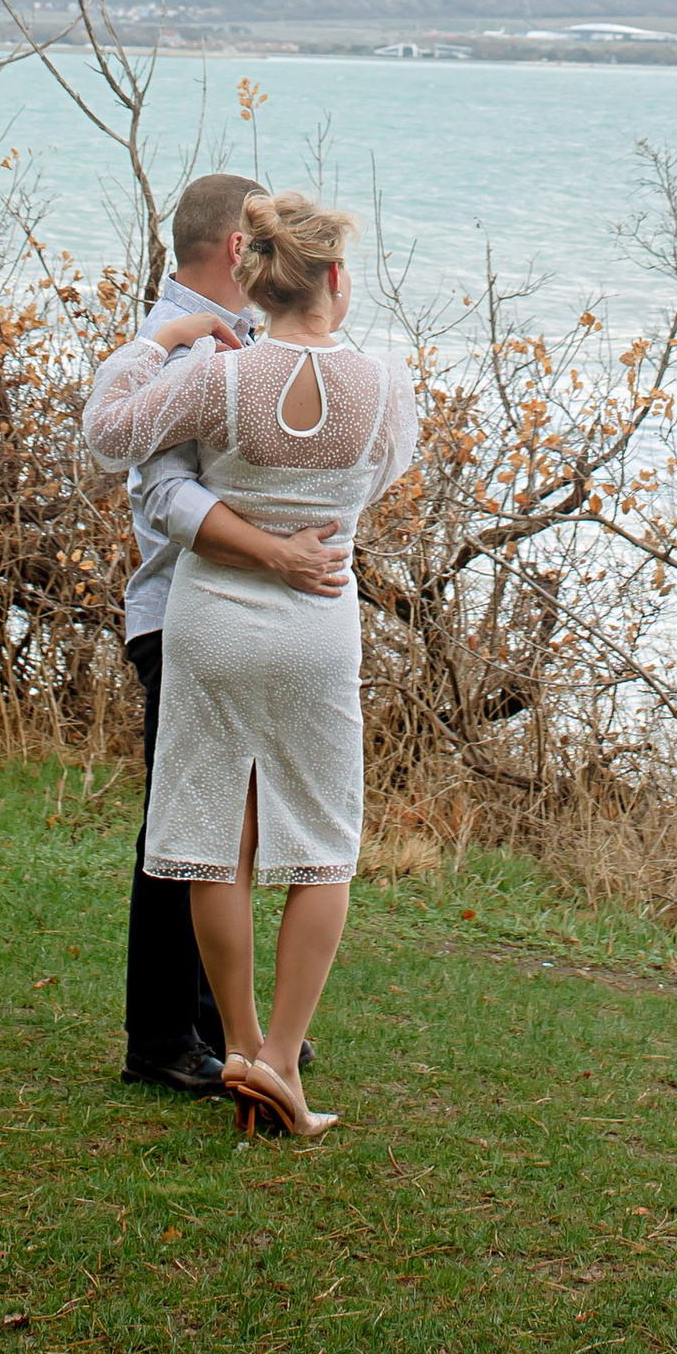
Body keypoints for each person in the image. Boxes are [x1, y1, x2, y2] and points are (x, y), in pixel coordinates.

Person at [83, 188, 419, 1143]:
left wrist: (161, 340)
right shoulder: (385, 384)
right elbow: (381, 474)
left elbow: (108, 435)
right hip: (319, 621)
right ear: (337, 281)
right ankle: (281, 1058)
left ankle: (232, 1041)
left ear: (258, 277)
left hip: (211, 620)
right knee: (322, 844)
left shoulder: (217, 375)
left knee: (213, 837)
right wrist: (323, 519)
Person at [112, 171, 353, 1094]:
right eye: (260, 238)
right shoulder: (184, 352)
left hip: (243, 616)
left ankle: (227, 1026)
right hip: (184, 610)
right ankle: (164, 1039)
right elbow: (165, 494)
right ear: (233, 252)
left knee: (232, 822)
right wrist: (276, 557)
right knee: (182, 826)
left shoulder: (243, 344)